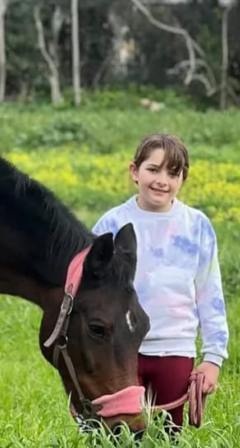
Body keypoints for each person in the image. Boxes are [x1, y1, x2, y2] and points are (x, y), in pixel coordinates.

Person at [92, 132, 229, 432]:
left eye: (173, 173)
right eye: (153, 169)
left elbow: (210, 294)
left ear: (183, 178)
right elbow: (89, 291)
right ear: (134, 171)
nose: (162, 181)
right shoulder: (111, 224)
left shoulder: (197, 226)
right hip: (121, 352)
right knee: (115, 437)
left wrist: (213, 358)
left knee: (170, 437)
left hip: (175, 350)